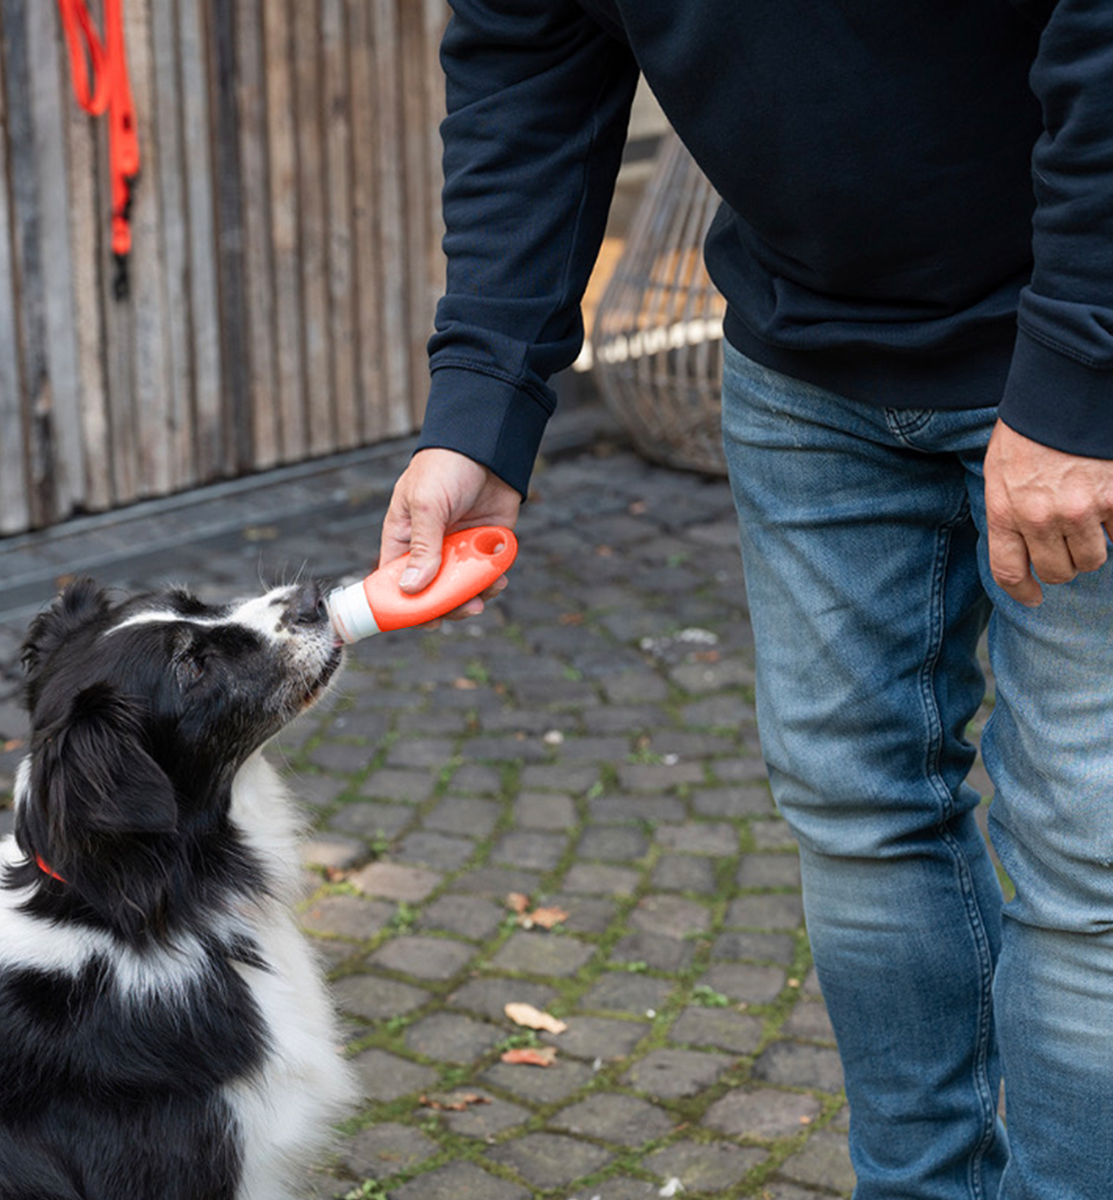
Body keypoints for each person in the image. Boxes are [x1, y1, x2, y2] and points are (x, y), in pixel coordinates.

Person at [377, 4, 1113, 1197]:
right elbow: (532, 46)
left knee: (1091, 867)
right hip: (806, 353)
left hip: (1075, 341)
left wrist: (1088, 374)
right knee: (856, 817)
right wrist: (483, 403)